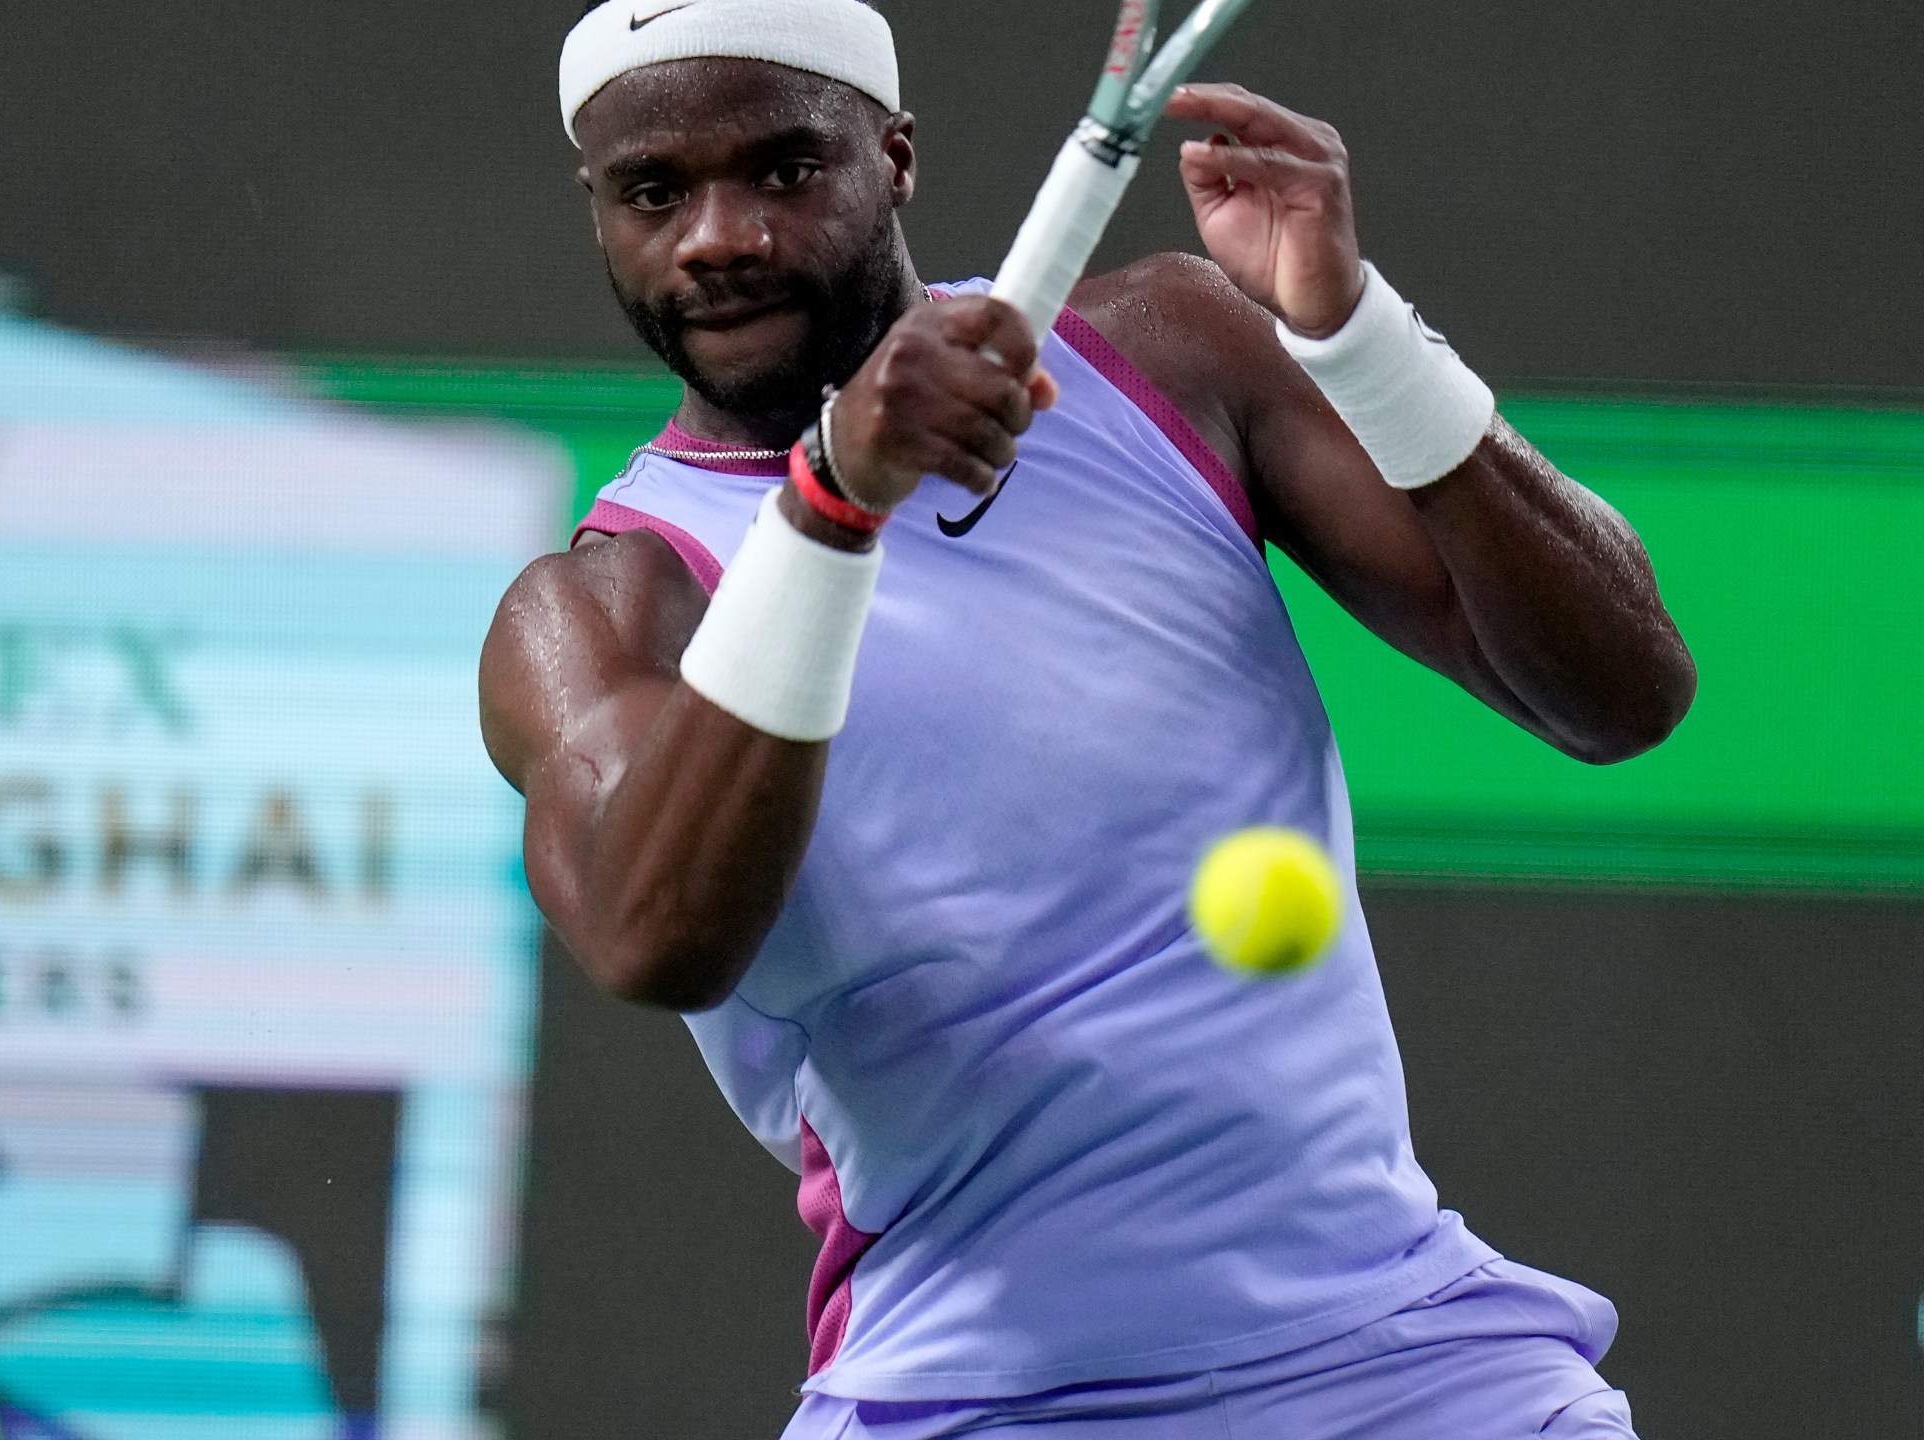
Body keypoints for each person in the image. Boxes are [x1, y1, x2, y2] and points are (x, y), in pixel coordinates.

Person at [479, 2, 1697, 1435]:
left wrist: (1360, 333)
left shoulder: (1170, 351)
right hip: (972, 1401)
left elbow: (1623, 691)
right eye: (655, 192)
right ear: (600, 214)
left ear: (896, 158)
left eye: (786, 171)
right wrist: (831, 503)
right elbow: (655, 932)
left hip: (1413, 1363)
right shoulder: (601, 608)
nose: (718, 236)